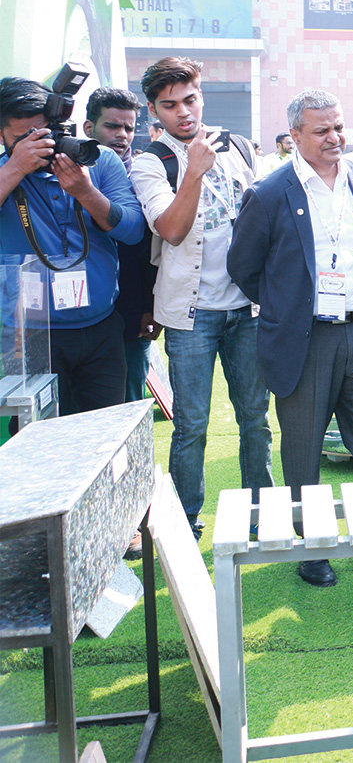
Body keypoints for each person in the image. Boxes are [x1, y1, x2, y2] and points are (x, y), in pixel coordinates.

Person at [226, 90, 353, 588]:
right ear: (295, 136)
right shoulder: (270, 192)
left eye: (339, 127)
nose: (334, 138)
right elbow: (243, 267)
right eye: (321, 130)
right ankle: (312, 547)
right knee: (302, 448)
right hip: (305, 340)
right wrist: (290, 306)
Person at [131, 57, 273, 537]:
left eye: (189, 100)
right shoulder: (152, 161)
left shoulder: (236, 146)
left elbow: (262, 219)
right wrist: (192, 171)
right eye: (169, 106)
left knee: (255, 418)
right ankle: (186, 519)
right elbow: (170, 230)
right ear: (154, 110)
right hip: (191, 313)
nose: (183, 113)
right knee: (191, 424)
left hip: (248, 307)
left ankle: (263, 512)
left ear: (201, 95)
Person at [0, 77, 144, 414]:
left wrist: (85, 191)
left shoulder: (98, 160)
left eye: (42, 134)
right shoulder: (6, 170)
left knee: (101, 436)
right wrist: (17, 166)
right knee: (39, 440)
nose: (37, 144)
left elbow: (134, 230)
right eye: (23, 138)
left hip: (101, 326)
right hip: (28, 334)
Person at [83, 87, 159, 407]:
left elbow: (153, 249)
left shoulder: (146, 174)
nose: (122, 135)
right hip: (77, 313)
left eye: (129, 127)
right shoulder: (65, 173)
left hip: (132, 311)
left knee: (128, 407)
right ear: (89, 128)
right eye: (112, 126)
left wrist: (151, 307)